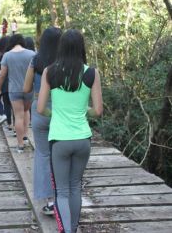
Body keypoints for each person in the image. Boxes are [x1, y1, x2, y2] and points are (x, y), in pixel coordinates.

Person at [37, 29, 103, 233]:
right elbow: (98, 111)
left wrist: (54, 114)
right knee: (75, 187)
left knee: (62, 192)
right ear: (82, 47)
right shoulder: (91, 72)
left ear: (61, 47)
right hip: (83, 139)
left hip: (59, 140)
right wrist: (83, 112)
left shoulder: (50, 71)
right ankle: (72, 228)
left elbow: (40, 109)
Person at [23, 27, 62, 216]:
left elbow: (26, 87)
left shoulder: (36, 60)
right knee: (61, 155)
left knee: (43, 155)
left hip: (39, 111)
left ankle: (49, 201)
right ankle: (62, 197)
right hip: (62, 112)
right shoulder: (65, 63)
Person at [0, 34, 35, 153]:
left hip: (14, 90)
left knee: (18, 116)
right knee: (26, 111)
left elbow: (2, 74)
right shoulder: (32, 54)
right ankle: (25, 135)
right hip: (29, 89)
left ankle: (20, 145)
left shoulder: (7, 55)